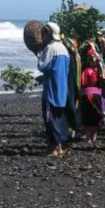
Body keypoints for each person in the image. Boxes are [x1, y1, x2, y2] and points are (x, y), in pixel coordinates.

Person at [37, 22, 70, 157]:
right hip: (62, 89)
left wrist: (39, 53)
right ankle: (60, 145)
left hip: (51, 89)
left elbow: (42, 66)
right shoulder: (64, 48)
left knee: (50, 118)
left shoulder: (50, 48)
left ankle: (55, 148)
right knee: (58, 117)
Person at [80, 49, 105, 147]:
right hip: (94, 95)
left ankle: (89, 137)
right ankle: (92, 137)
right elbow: (103, 80)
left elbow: (83, 83)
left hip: (88, 95)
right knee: (94, 117)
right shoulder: (97, 70)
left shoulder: (87, 71)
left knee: (89, 117)